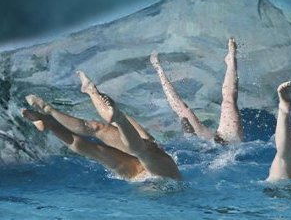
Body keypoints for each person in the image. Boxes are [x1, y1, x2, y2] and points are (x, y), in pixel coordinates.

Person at [22, 71, 181, 181]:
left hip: (161, 179)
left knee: (138, 145)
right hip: (143, 179)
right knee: (96, 146)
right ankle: (49, 121)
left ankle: (60, 107)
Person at [150, 38, 243, 144]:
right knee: (229, 102)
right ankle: (158, 69)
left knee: (183, 111)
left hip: (205, 141)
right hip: (229, 142)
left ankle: (158, 68)